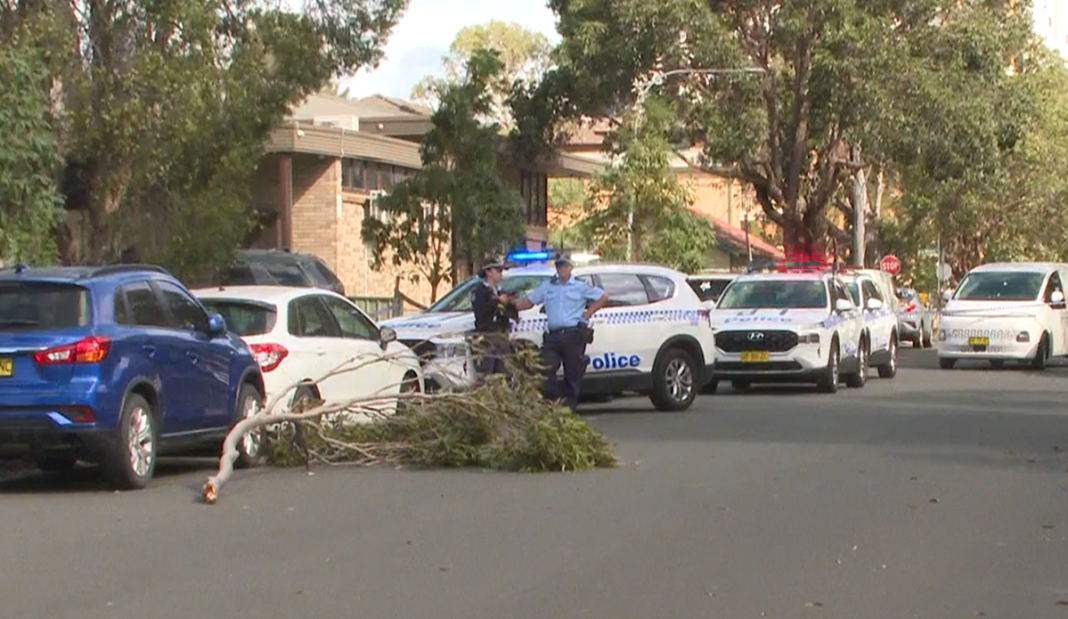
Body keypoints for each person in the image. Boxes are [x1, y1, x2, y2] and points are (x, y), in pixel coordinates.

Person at [516, 257, 609, 410]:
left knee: (572, 373)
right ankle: (553, 402)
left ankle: (568, 408)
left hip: (573, 335)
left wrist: (587, 314)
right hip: (553, 336)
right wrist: (510, 307)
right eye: (559, 267)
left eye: (564, 267)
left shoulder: (580, 286)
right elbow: (530, 300)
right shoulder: (549, 286)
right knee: (545, 368)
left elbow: (603, 297)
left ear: (570, 268)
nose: (561, 270)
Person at [471, 261, 518, 380]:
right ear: (488, 272)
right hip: (486, 337)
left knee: (504, 371)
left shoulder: (501, 291)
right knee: (486, 374)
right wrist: (497, 301)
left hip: (501, 336)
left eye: (501, 271)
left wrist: (510, 304)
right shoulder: (479, 291)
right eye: (498, 271)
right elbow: (482, 311)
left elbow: (510, 313)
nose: (501, 274)